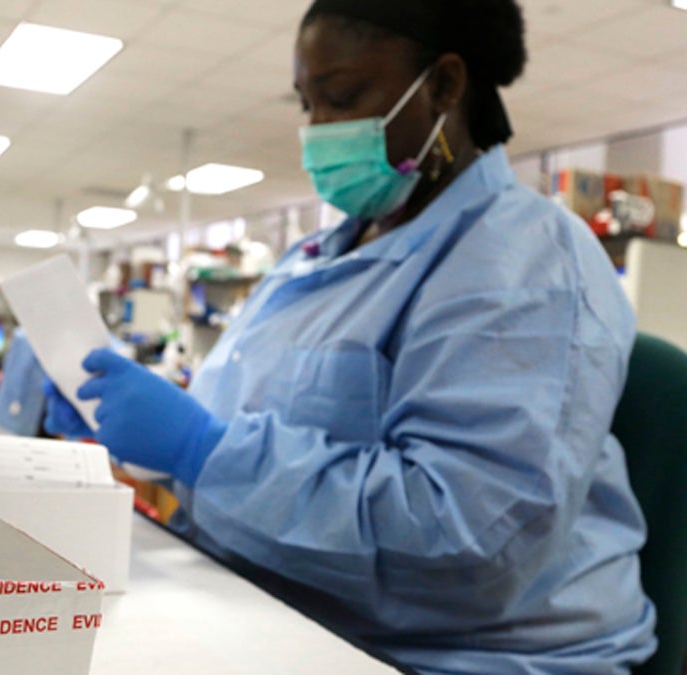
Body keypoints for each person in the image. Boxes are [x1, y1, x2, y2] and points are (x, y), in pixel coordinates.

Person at [43, 0, 657, 672]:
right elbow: (259, 424)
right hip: (288, 607)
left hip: (454, 656)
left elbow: (468, 546)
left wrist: (201, 449)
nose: (317, 132)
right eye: (307, 104)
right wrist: (139, 426)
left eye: (339, 97)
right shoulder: (314, 255)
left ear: (445, 86)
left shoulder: (526, 260)